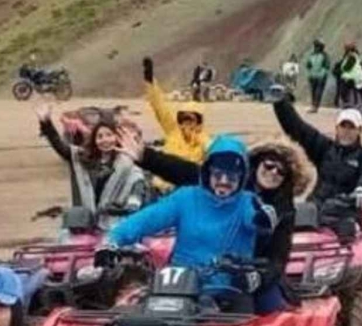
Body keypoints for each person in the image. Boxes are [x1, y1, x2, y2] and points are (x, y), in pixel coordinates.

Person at [119, 129, 315, 312]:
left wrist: (259, 278)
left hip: (248, 272)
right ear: (257, 164)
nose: (273, 173)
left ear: (287, 179)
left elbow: (278, 257)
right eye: (269, 165)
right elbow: (184, 171)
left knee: (271, 310)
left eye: (281, 172)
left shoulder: (284, 210)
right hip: (199, 269)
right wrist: (146, 156)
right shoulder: (228, 177)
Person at [102, 137, 263, 308]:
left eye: (231, 177)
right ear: (207, 172)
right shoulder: (186, 197)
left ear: (242, 178)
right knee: (138, 313)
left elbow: (258, 218)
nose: (223, 181)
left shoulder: (248, 202)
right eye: (217, 174)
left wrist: (264, 219)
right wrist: (112, 240)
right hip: (180, 286)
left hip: (227, 291)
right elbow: (146, 219)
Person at [36, 103, 149, 228]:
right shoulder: (84, 158)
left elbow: (138, 183)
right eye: (100, 136)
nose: (105, 140)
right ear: (94, 141)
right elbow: (61, 147)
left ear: (117, 138)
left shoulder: (127, 162)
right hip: (86, 225)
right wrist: (46, 123)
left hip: (118, 223)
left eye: (109, 135)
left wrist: (131, 204)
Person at [142, 56, 211, 189]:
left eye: (191, 119)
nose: (187, 123)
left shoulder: (204, 140)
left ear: (198, 121)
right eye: (183, 119)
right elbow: (159, 105)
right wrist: (149, 80)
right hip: (160, 188)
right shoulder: (173, 130)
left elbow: (213, 154)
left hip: (183, 189)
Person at [305, 40, 332, 112]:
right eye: (316, 46)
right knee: (313, 91)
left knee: (318, 92)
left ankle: (315, 106)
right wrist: (309, 74)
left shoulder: (324, 56)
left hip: (321, 77)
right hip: (313, 76)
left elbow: (326, 66)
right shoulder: (312, 55)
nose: (316, 47)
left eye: (318, 46)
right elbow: (308, 65)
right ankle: (313, 105)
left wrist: (322, 75)